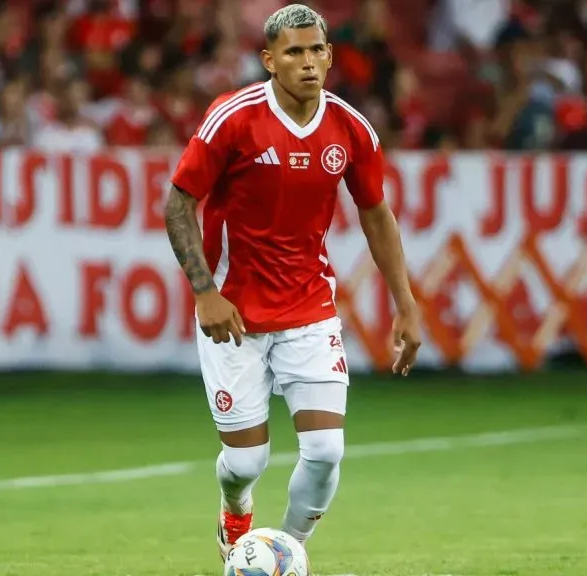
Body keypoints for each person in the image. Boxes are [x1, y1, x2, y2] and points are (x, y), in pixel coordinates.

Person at [163, 3, 421, 562]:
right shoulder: (232, 118)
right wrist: (205, 291)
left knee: (326, 450)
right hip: (233, 315)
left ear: (329, 56)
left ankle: (281, 556)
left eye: (316, 50)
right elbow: (178, 203)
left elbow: (376, 213)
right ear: (269, 60)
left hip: (309, 308)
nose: (308, 62)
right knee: (245, 463)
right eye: (294, 52)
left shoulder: (351, 129)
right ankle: (236, 507)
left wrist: (405, 301)